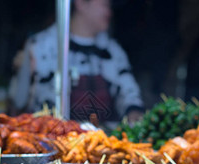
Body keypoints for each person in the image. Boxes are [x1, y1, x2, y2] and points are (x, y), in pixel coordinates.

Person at [8, 0, 144, 125]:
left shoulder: (112, 50)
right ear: (81, 3)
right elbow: (16, 105)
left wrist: (134, 113)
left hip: (101, 141)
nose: (109, 12)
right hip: (50, 140)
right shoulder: (39, 47)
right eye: (104, 4)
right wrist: (22, 74)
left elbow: (129, 95)